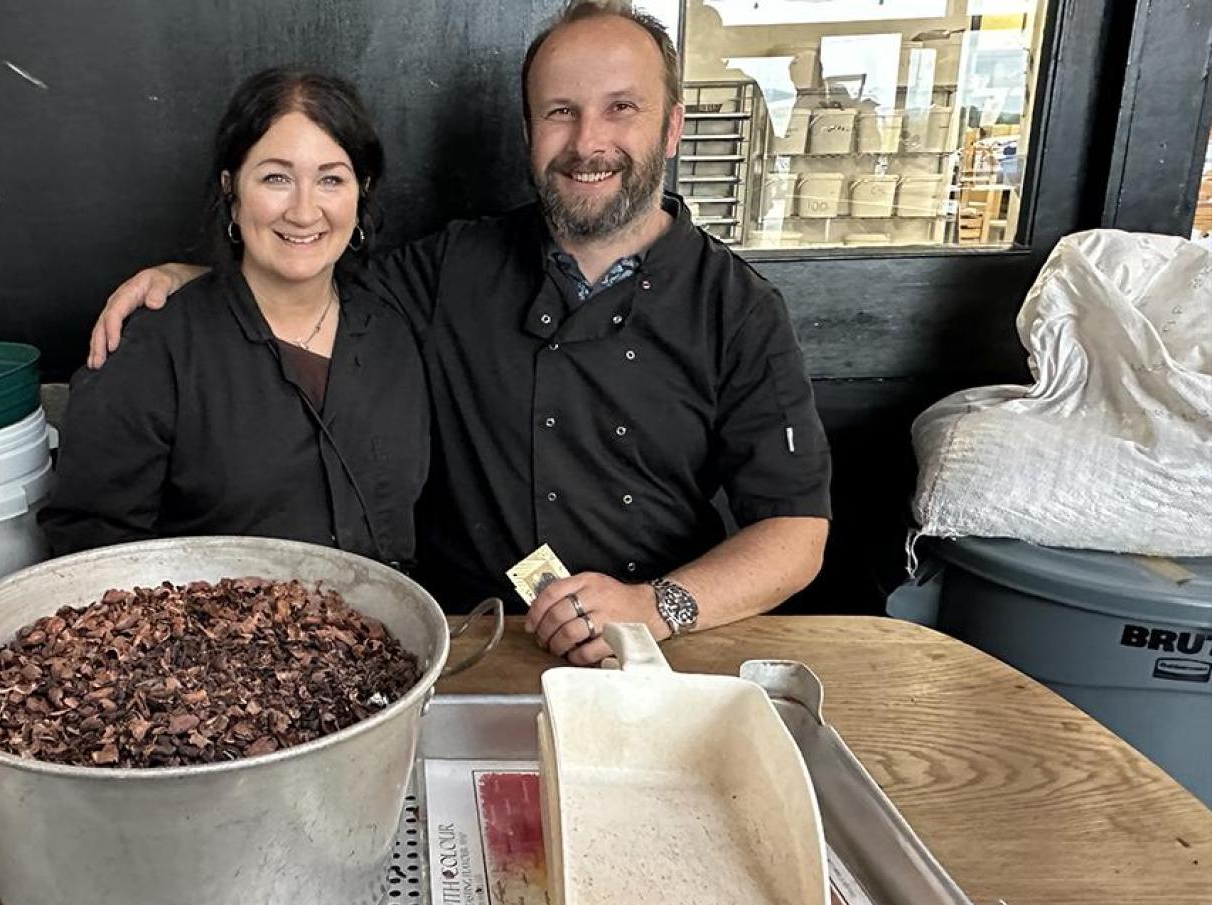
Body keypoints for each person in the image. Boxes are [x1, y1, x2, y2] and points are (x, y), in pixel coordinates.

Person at [83, 3, 831, 666]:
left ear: (671, 128)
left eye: (622, 108)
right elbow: (305, 269)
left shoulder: (739, 308)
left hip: (656, 652)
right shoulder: (451, 266)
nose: (588, 141)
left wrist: (655, 608)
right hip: (469, 640)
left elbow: (797, 534)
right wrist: (201, 277)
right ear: (529, 131)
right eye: (561, 112)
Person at [38, 68, 429, 568]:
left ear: (362, 190)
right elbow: (89, 546)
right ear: (231, 188)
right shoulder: (153, 349)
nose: (305, 211)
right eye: (276, 178)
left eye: (331, 179)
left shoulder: (397, 329)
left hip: (386, 635)